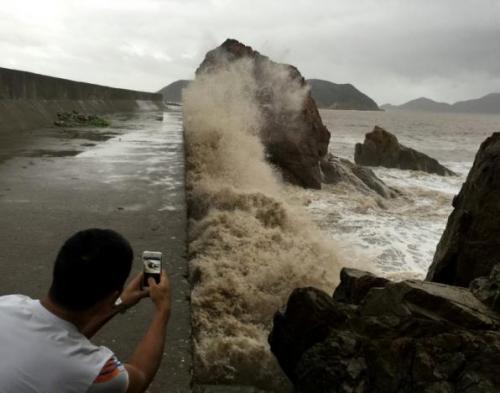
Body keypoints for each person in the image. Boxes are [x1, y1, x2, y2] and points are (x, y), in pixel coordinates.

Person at [0, 228, 171, 393]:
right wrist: (162, 310)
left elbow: (61, 338)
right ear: (110, 297)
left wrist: (120, 303)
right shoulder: (93, 371)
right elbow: (139, 378)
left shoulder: (8, 303)